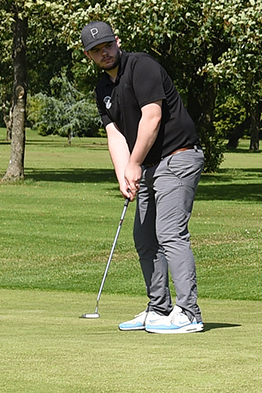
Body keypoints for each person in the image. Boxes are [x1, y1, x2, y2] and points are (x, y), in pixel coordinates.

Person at [82, 21, 205, 334]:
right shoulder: (103, 88)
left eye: (108, 45)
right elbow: (115, 134)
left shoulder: (142, 66)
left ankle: (190, 313)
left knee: (170, 233)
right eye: (96, 50)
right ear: (88, 55)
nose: (104, 53)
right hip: (149, 165)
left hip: (178, 156)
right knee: (145, 238)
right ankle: (160, 308)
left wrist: (134, 164)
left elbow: (152, 118)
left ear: (117, 42)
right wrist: (124, 172)